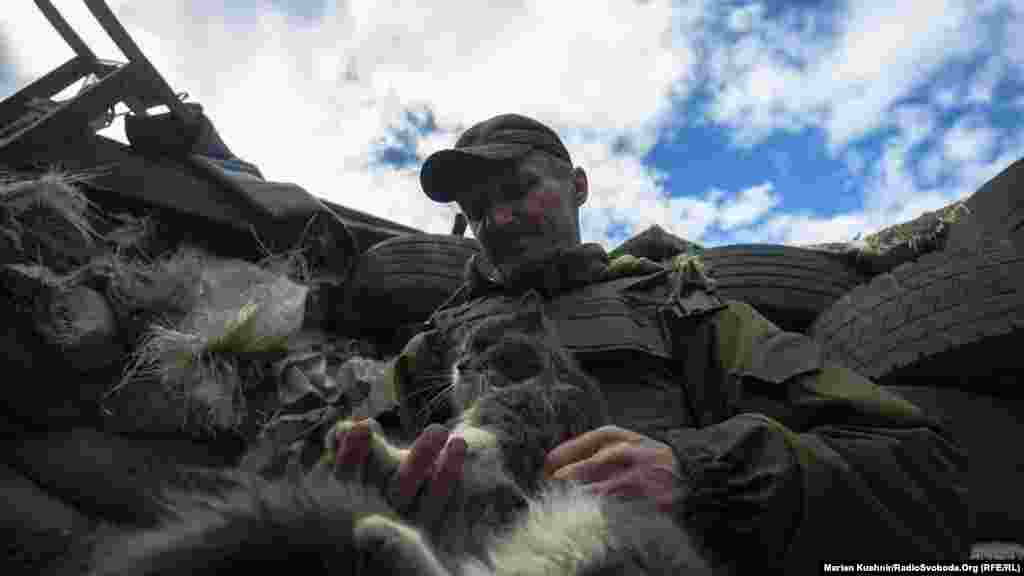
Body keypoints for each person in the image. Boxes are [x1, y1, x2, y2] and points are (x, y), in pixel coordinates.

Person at [333, 113, 971, 572]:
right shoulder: (435, 346)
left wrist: (698, 474)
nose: (498, 219)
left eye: (519, 189)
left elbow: (921, 469)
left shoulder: (678, 308)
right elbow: (317, 467)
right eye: (478, 208)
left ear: (578, 186)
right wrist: (371, 489)